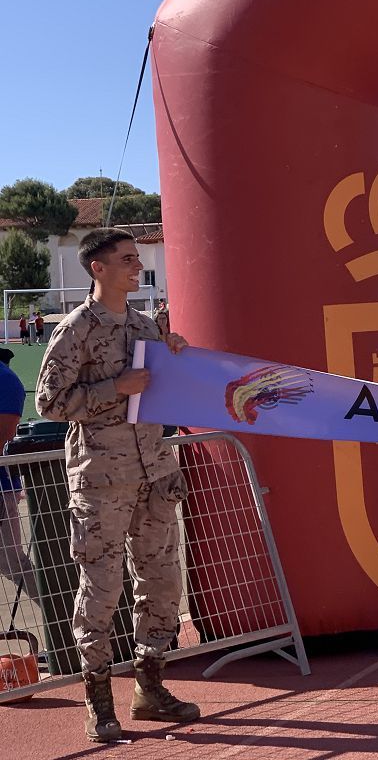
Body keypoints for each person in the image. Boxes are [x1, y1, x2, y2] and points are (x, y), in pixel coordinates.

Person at [36, 227, 199, 742]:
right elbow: (48, 403)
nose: (137, 267)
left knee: (163, 585)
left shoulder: (147, 327)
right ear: (97, 268)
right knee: (101, 590)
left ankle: (150, 688)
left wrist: (174, 351)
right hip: (102, 481)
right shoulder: (75, 330)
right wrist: (115, 388)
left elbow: (168, 388)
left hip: (153, 474)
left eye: (138, 259)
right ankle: (98, 701)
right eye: (127, 260)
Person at [0, 347, 37, 601]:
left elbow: (5, 433)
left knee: (12, 563)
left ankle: (64, 623)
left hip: (1, 489)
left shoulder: (6, 380)